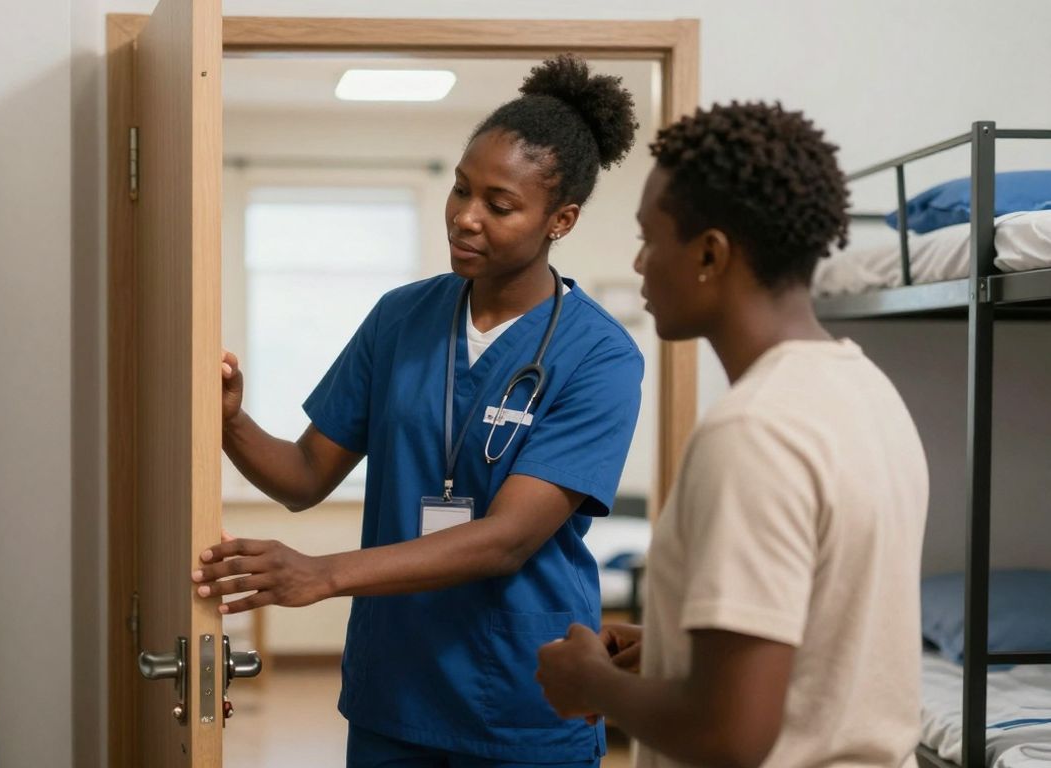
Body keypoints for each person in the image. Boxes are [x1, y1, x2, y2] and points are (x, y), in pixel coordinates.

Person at [192, 54, 644, 766]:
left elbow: (507, 540)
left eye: (499, 205)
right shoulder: (401, 317)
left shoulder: (600, 355)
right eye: (461, 189)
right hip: (394, 693)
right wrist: (229, 421)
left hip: (522, 700)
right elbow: (307, 474)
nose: (465, 217)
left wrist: (324, 574)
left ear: (561, 219)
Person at [535, 102, 929, 768]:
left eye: (649, 238)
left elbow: (731, 736)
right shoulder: (868, 392)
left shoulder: (753, 431)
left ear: (710, 254)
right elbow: (826, 644)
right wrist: (668, 648)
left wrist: (591, 684)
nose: (638, 264)